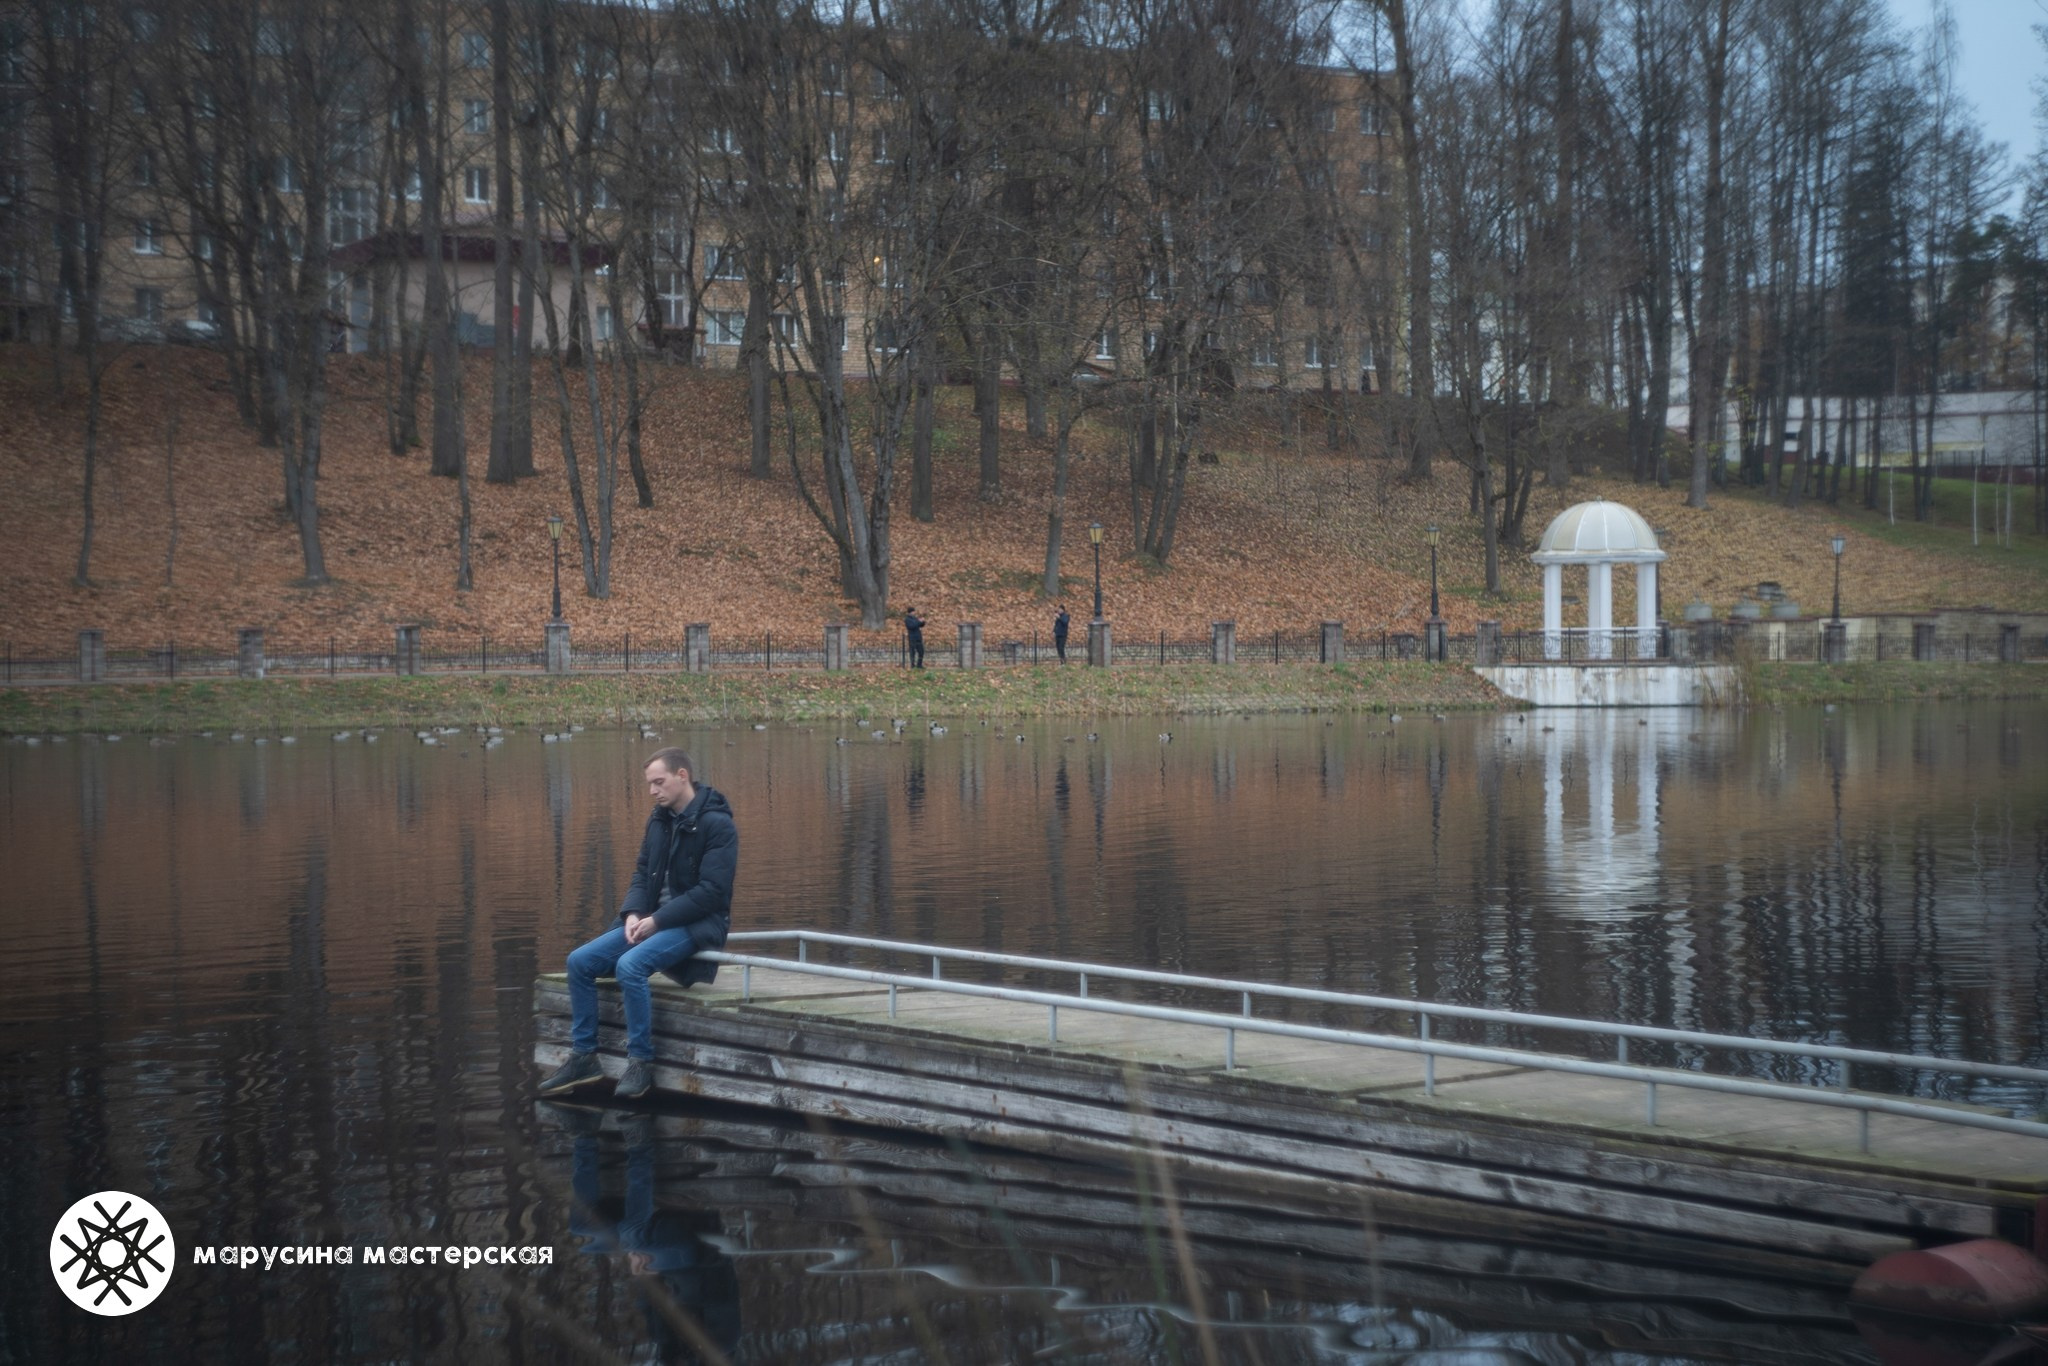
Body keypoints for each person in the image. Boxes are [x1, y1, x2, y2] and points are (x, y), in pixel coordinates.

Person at [539, 748, 737, 1100]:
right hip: (650, 920)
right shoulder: (659, 820)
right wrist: (632, 913)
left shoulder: (717, 824)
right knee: (579, 962)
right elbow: (643, 873)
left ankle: (641, 1062)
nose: (652, 791)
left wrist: (657, 921)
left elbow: (712, 893)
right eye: (649, 784)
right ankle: (584, 1057)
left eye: (658, 782)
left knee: (630, 966)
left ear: (682, 776)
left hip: (697, 924)